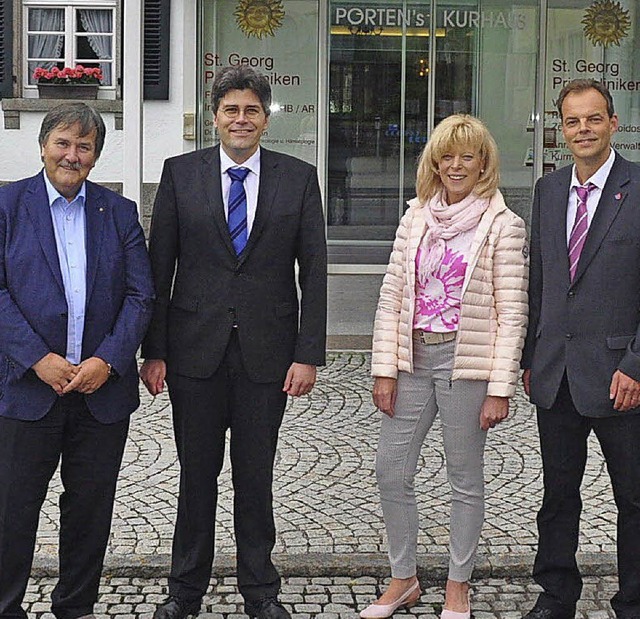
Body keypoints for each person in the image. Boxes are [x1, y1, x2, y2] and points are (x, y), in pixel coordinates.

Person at [140, 65, 327, 619]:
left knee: (255, 479)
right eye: (231, 110)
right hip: (194, 354)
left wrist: (307, 353)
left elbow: (314, 271)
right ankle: (184, 592)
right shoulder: (180, 174)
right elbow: (160, 267)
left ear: (265, 119)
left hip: (267, 357)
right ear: (215, 117)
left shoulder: (298, 177)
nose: (241, 119)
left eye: (251, 110)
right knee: (196, 478)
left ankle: (261, 592)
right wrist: (155, 351)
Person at [362, 114, 528, 619]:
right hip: (412, 358)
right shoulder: (415, 218)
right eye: (447, 156)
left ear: (484, 164)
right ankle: (403, 577)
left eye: (468, 156)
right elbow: (392, 296)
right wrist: (383, 368)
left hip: (467, 363)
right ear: (434, 161)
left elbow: (512, 310)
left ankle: (459, 584)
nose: (456, 165)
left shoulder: (504, 225)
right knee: (390, 470)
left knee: (464, 478)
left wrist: (500, 387)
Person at [0, 102, 154, 619]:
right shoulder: (7, 205)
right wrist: (37, 357)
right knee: (12, 510)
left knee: (89, 511)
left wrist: (108, 361)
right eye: (63, 143)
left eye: (84, 147)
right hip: (26, 389)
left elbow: (141, 296)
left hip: (98, 393)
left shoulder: (120, 212)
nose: (72, 154)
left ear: (96, 156)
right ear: (43, 146)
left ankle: (75, 606)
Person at [521, 79, 640, 619]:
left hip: (621, 375)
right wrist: (529, 358)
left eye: (593, 119)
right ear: (560, 129)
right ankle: (556, 593)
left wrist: (637, 363)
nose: (583, 130)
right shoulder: (547, 191)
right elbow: (539, 282)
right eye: (572, 121)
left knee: (634, 499)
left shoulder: (637, 188)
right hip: (556, 373)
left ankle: (634, 597)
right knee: (558, 496)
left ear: (614, 123)